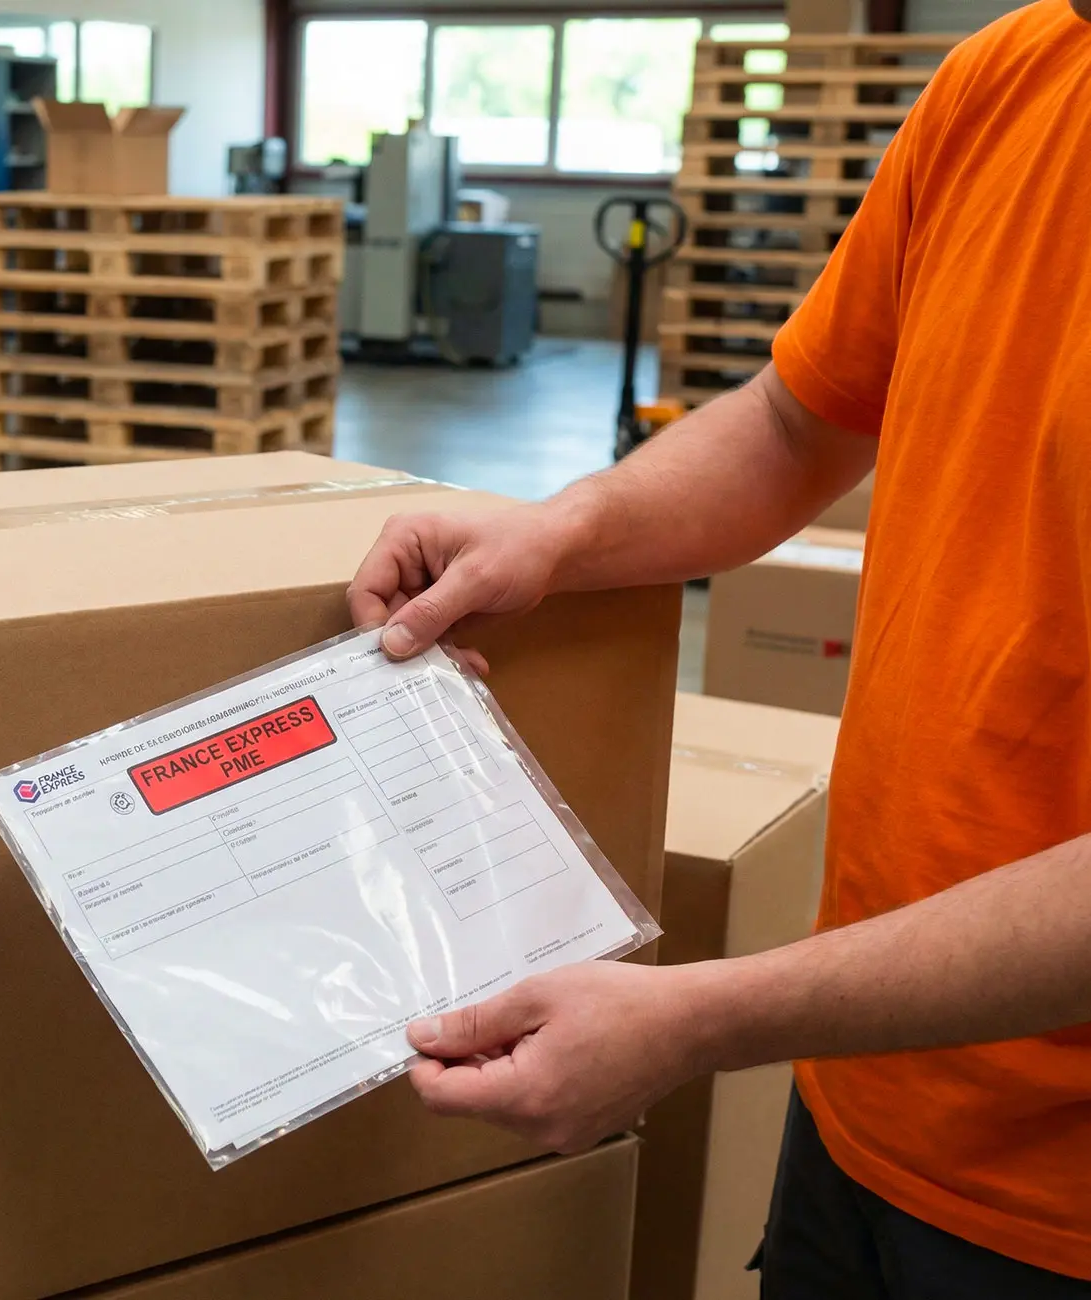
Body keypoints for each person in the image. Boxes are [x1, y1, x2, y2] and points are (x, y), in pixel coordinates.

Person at [345, 3, 1091, 1295]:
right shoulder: (1016, 78)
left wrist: (704, 1017)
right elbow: (798, 424)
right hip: (869, 1093)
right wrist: (563, 532)